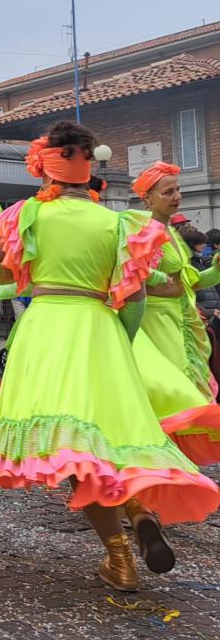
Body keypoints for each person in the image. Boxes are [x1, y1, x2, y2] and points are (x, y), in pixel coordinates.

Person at [0, 123, 219, 591]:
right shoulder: (117, 222)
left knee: (70, 446)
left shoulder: (27, 214)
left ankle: (119, 556)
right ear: (87, 168)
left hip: (48, 327)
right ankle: (138, 509)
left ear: (44, 170)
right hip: (101, 329)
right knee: (113, 436)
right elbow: (140, 292)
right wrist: (124, 340)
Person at [129, 163, 220, 461]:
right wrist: (172, 288)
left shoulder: (171, 232)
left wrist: (214, 271)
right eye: (168, 192)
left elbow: (187, 280)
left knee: (182, 387)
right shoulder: (145, 232)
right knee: (169, 390)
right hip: (156, 322)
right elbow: (135, 279)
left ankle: (173, 459)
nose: (177, 196)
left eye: (178, 190)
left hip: (180, 320)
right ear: (147, 198)